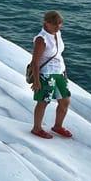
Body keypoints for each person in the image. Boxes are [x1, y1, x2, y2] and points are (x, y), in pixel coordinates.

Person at [30, 11, 72, 139]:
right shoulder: (41, 39)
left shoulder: (57, 34)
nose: (58, 26)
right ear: (46, 23)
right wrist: (36, 81)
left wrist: (64, 71)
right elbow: (35, 62)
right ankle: (36, 128)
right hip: (46, 74)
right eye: (54, 24)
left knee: (65, 101)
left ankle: (57, 126)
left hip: (59, 73)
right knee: (43, 102)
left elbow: (58, 55)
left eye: (59, 23)